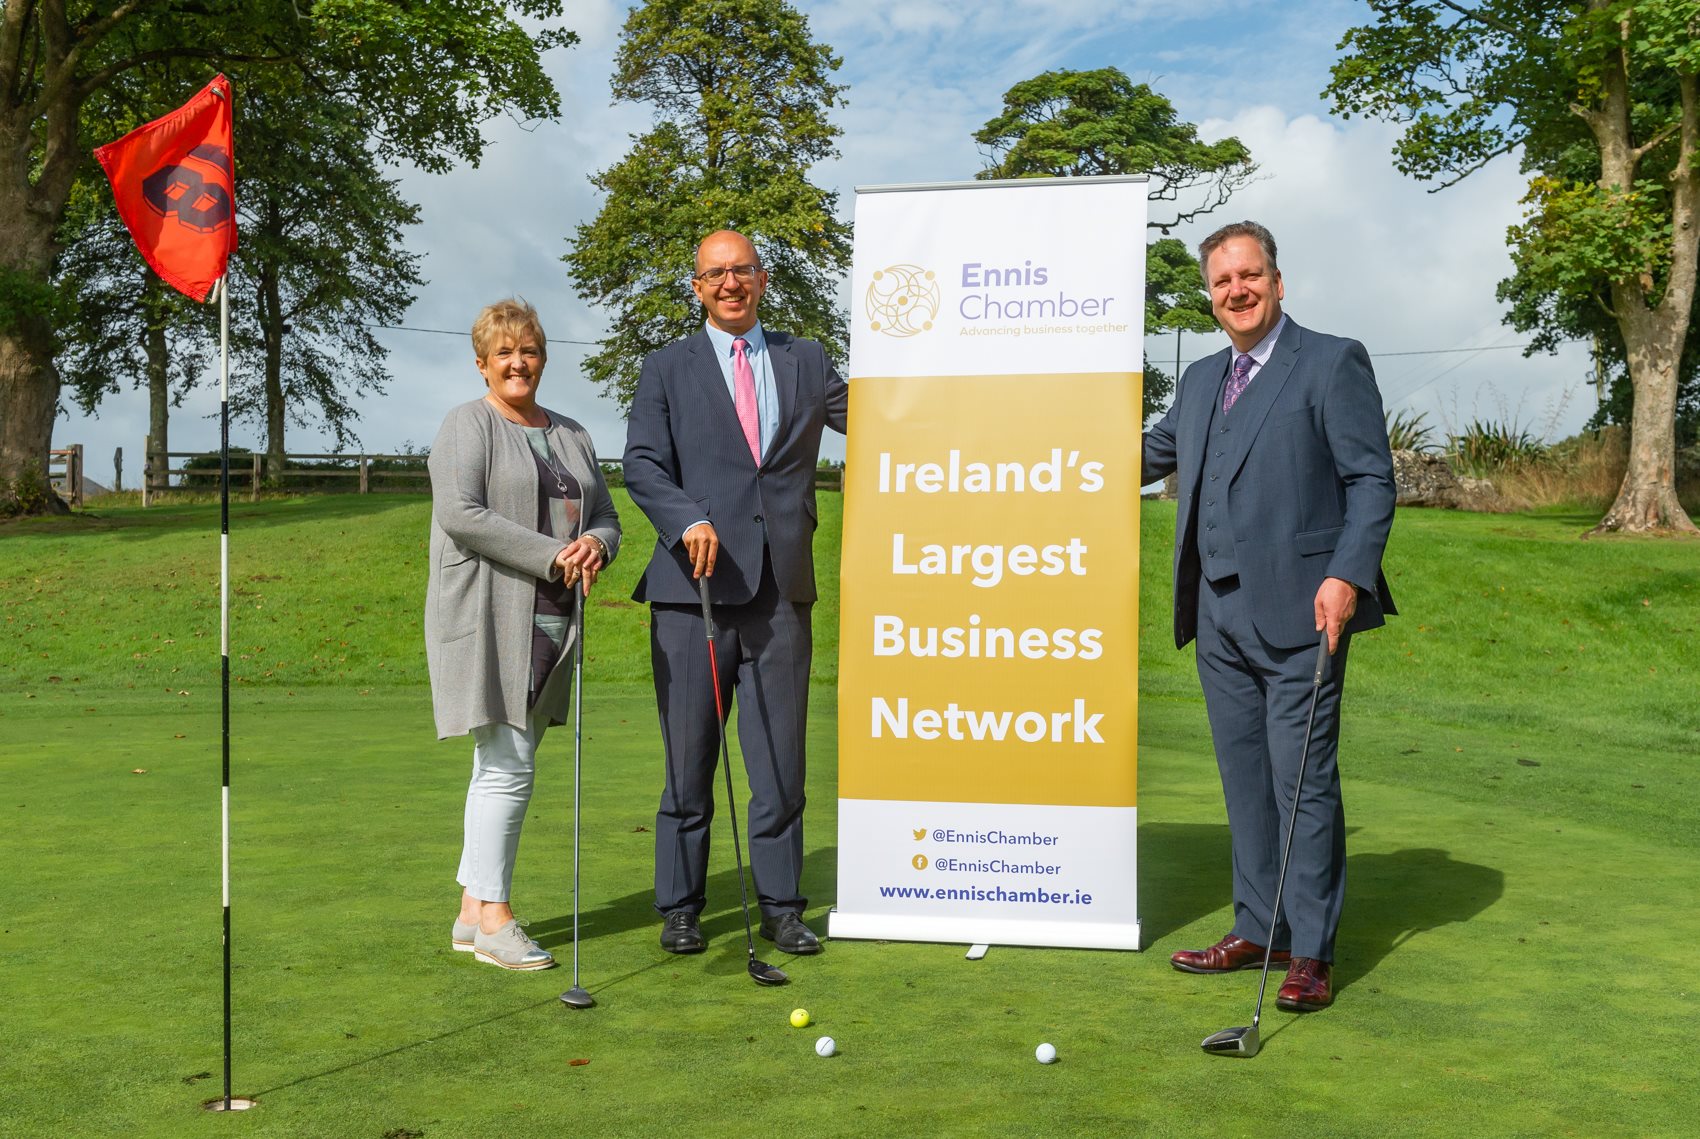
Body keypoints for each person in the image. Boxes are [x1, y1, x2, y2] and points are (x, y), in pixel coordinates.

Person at [1142, 221, 1396, 1011]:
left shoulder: (1330, 360)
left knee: (1301, 783)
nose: (1236, 291)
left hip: (1304, 612)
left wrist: (1348, 574)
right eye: (1222, 282)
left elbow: (1371, 480)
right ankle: (1260, 926)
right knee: (1245, 781)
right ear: (1210, 296)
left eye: (1249, 276)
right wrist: (1027, 456)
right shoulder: (1198, 382)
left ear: (1277, 282)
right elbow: (1139, 458)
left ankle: (1312, 952)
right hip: (1215, 617)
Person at [623, 229, 849, 957]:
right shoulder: (665, 367)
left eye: (742, 270)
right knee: (689, 766)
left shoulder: (806, 358)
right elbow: (642, 464)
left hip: (781, 592)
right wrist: (686, 519)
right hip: (694, 596)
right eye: (715, 273)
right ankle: (682, 907)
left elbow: (888, 419)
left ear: (762, 278)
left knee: (780, 765)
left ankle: (783, 907)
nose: (730, 283)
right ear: (697, 287)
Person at [425, 298, 621, 970]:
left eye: (528, 350)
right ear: (483, 364)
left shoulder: (572, 433)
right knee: (508, 764)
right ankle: (496, 916)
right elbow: (461, 513)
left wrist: (594, 542)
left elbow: (605, 515)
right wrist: (553, 554)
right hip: (487, 616)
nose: (518, 362)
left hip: (551, 621)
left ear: (543, 357)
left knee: (500, 766)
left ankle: (470, 912)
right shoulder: (467, 424)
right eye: (503, 353)